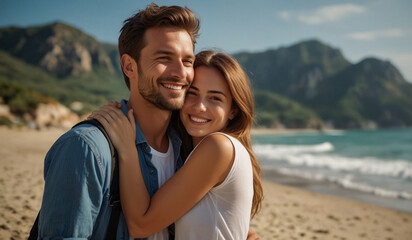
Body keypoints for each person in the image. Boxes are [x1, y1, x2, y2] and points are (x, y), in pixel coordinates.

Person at [37, 3, 260, 240]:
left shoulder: (186, 148)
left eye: (187, 61)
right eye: (164, 57)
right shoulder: (87, 148)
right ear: (129, 66)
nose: (179, 73)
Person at [89, 50, 263, 239]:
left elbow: (140, 225)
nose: (199, 106)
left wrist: (127, 148)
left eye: (215, 98)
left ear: (233, 111)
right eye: (192, 93)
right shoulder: (191, 152)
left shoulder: (218, 147)